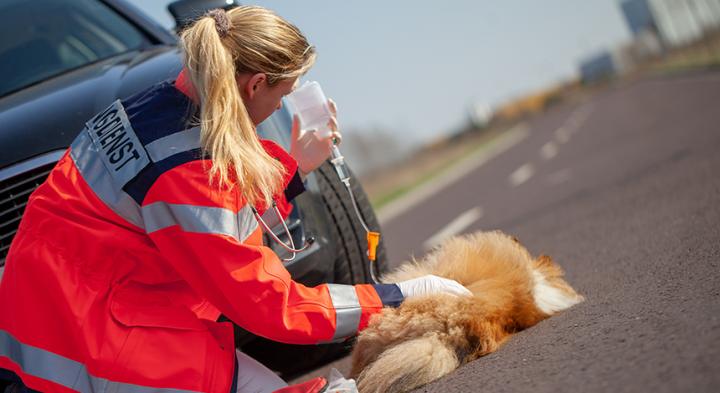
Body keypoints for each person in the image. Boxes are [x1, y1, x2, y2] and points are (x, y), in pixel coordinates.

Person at [0, 6, 470, 393]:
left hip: (71, 303)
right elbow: (268, 303)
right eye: (283, 92)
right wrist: (397, 296)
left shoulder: (148, 109)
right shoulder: (187, 169)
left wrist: (294, 169)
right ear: (255, 84)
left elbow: (204, 230)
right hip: (87, 339)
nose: (281, 103)